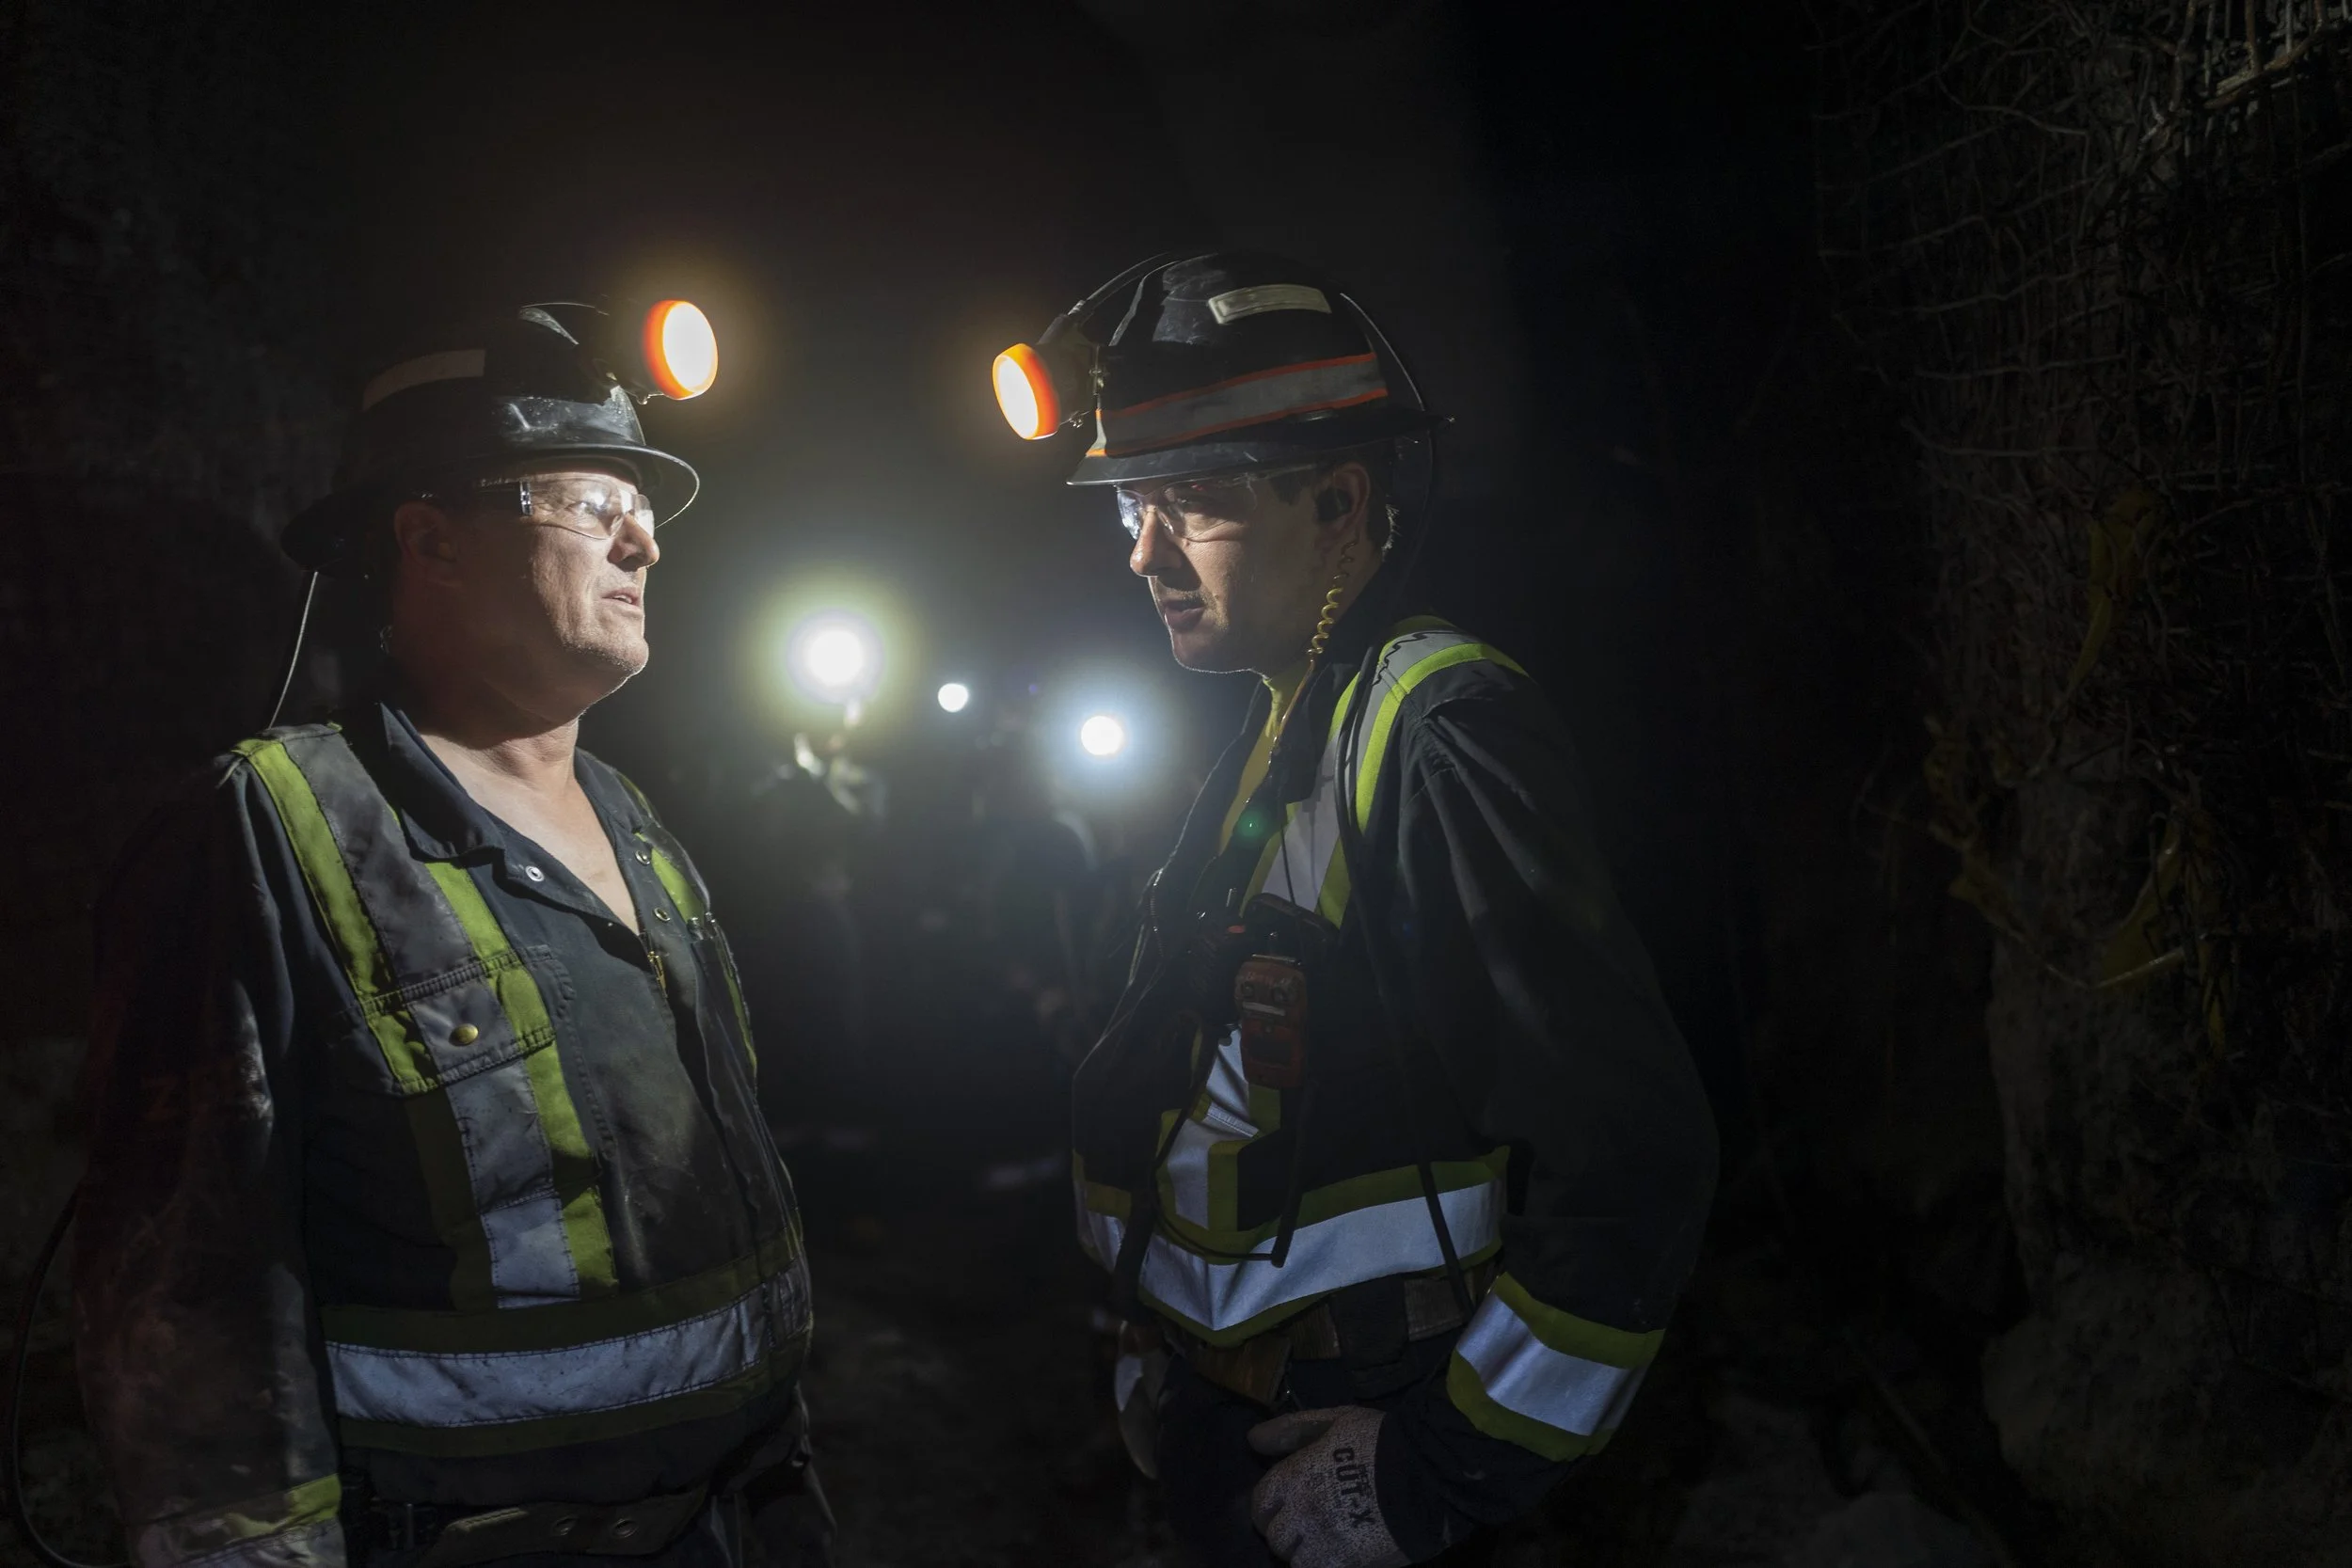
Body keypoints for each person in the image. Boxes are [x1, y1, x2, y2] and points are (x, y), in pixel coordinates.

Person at [74, 305, 831, 1568]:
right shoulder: (275, 828)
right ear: (429, 539)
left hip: (738, 1517)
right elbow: (193, 1277)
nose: (646, 535)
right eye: (597, 501)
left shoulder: (638, 823)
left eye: (647, 507)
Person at [1009, 253, 1719, 1565]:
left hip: (1362, 1432)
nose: (1143, 553)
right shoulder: (1289, 724)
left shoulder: (1440, 730)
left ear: (1340, 501)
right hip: (1236, 1416)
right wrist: (1153, 1347)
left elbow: (1634, 1154)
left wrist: (1439, 1467)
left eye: (1193, 505)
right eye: (1130, 509)